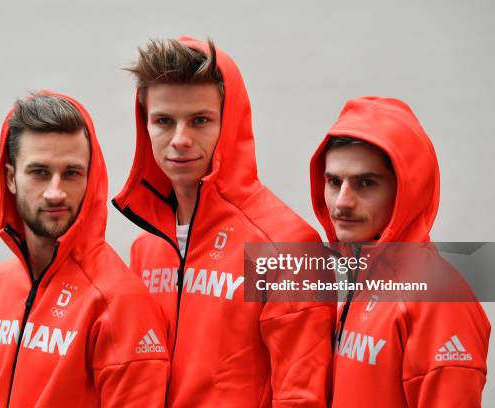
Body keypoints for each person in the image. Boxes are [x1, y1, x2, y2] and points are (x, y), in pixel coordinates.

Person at [113, 36, 335, 407]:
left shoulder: (288, 245)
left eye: (200, 120)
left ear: (229, 123)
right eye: (164, 121)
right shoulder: (147, 247)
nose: (180, 140)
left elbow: (302, 397)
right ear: (145, 126)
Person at [0, 91, 169, 407]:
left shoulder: (119, 302)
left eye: (71, 173)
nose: (56, 193)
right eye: (39, 173)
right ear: (11, 178)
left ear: (89, 179)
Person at [309, 96, 491, 407]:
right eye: (334, 181)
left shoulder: (440, 299)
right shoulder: (364, 282)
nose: (342, 201)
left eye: (366, 183)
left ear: (407, 191)